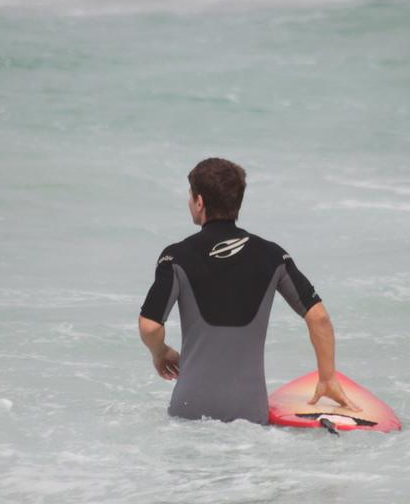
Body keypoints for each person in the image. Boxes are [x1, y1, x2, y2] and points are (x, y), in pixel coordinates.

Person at [138, 157, 359, 424]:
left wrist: (160, 353)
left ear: (200, 202)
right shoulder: (273, 255)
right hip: (250, 416)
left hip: (189, 412)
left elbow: (150, 326)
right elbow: (319, 317)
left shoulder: (176, 256)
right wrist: (327, 377)